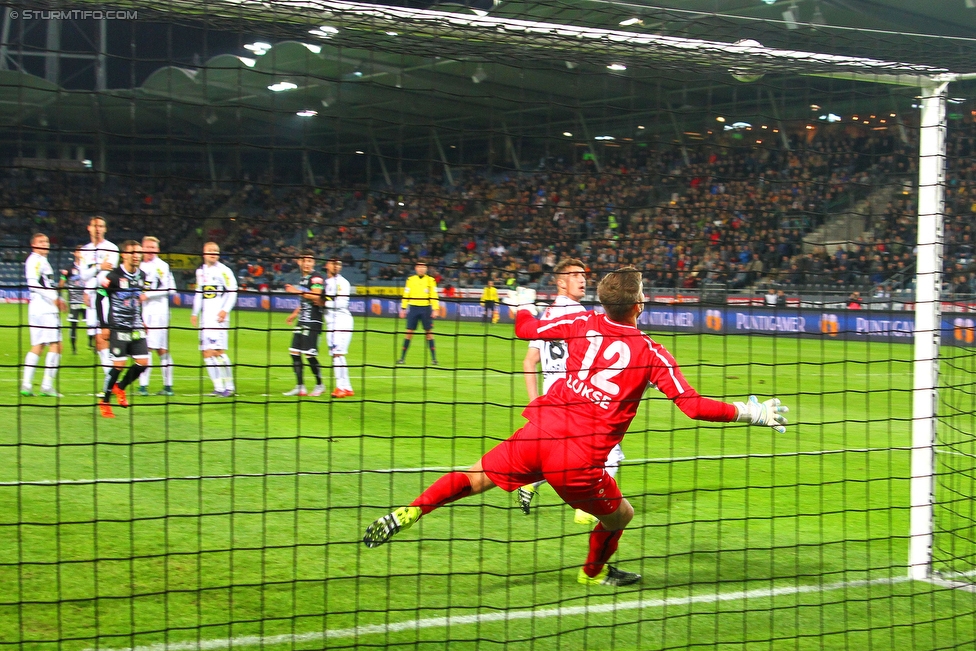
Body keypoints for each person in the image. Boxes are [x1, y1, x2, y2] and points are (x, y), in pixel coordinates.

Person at [363, 267, 789, 588]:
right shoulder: (651, 351)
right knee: (621, 515)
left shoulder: (580, 322)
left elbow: (526, 329)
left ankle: (415, 508)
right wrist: (750, 412)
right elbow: (694, 408)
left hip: (539, 431)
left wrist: (522, 304)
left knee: (476, 475)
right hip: (578, 457)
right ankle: (593, 572)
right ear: (639, 306)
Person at [517, 258, 625, 526]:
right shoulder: (580, 315)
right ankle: (588, 508)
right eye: (575, 275)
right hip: (576, 396)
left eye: (583, 275)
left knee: (565, 454)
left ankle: (531, 483)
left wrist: (535, 403)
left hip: (551, 398)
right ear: (561, 282)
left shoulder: (546, 316)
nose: (582, 279)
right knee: (609, 449)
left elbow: (529, 361)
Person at [97, 240, 151, 418]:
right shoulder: (113, 276)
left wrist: (142, 320)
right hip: (118, 326)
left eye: (139, 252)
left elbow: (136, 301)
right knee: (118, 366)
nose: (136, 255)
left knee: (143, 363)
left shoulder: (142, 275)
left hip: (135, 326)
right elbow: (99, 299)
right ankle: (105, 401)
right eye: (133, 252)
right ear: (124, 255)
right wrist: (104, 325)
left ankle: (120, 388)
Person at [21, 233, 67, 397]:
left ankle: (26, 385)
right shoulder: (35, 260)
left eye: (46, 241)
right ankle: (46, 386)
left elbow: (44, 284)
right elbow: (32, 283)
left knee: (38, 346)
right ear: (33, 245)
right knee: (56, 345)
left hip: (36, 308)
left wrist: (57, 297)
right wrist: (54, 298)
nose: (45, 243)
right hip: (45, 309)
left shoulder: (40, 260)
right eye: (41, 241)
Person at [191, 242, 238, 397]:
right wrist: (194, 313)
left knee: (218, 352)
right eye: (210, 250)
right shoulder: (200, 271)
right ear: (204, 253)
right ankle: (218, 387)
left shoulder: (224, 270)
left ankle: (229, 387)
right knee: (206, 352)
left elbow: (233, 291)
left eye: (216, 251)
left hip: (219, 318)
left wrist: (225, 310)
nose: (213, 253)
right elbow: (199, 293)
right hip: (206, 318)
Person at [79, 216, 120, 392]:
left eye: (101, 226)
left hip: (107, 298)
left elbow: (108, 274)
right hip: (92, 300)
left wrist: (94, 271)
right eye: (95, 225)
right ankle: (112, 383)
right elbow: (83, 276)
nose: (98, 228)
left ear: (105, 229)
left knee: (106, 338)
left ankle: (113, 382)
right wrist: (88, 290)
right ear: (89, 228)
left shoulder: (112, 248)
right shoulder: (84, 251)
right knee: (99, 341)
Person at [137, 236, 177, 396]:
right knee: (161, 349)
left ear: (157, 250)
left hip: (158, 313)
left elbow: (170, 288)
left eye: (153, 247)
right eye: (147, 247)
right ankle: (167, 387)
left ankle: (144, 387)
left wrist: (148, 295)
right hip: (144, 312)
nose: (150, 250)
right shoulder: (139, 265)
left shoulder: (161, 266)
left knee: (147, 348)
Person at [283, 252, 326, 397]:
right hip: (302, 319)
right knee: (294, 351)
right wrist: (295, 313)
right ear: (299, 262)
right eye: (304, 261)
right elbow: (306, 300)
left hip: (313, 320)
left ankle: (320, 385)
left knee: (309, 354)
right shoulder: (304, 279)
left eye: (310, 261)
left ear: (313, 263)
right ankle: (300, 387)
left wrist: (295, 291)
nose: (307, 263)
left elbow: (316, 295)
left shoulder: (316, 277)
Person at [397, 260, 439, 365]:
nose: (421, 269)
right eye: (419, 267)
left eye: (423, 267)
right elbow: (406, 294)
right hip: (414, 308)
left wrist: (435, 308)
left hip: (426, 308)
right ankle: (402, 358)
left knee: (429, 334)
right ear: (416, 268)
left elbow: (434, 295)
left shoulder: (431, 280)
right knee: (409, 333)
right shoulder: (410, 280)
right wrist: (403, 308)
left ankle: (434, 359)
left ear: (426, 268)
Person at [324, 257, 355, 398]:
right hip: (331, 322)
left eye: (339, 264)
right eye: (333, 264)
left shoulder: (343, 283)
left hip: (342, 321)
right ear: (327, 265)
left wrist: (323, 303)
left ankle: (340, 387)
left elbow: (342, 303)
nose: (336, 266)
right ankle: (347, 388)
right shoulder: (326, 283)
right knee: (337, 354)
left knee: (337, 354)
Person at [61, 245, 87, 354]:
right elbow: (61, 283)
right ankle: (74, 349)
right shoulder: (69, 268)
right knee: (73, 325)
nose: (81, 254)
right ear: (75, 253)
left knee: (93, 324)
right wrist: (61, 298)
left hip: (86, 301)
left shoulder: (88, 267)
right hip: (74, 302)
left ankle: (93, 345)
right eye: (79, 251)